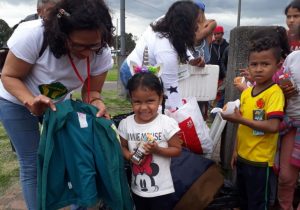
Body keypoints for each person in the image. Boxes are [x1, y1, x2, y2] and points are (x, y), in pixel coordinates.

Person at [0, 0, 114, 209]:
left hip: (58, 102)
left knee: (74, 156)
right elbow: (9, 76)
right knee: (33, 163)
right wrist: (29, 100)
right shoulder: (33, 35)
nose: (87, 53)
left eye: (94, 45)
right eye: (78, 45)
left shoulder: (102, 53)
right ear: (61, 35)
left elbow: (91, 92)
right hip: (15, 99)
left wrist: (96, 101)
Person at [222, 32, 285, 209]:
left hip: (261, 162)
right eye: (254, 64)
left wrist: (240, 119)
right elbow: (241, 126)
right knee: (242, 200)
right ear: (248, 67)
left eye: (265, 64)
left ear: (277, 66)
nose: (258, 69)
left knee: (258, 203)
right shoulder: (247, 93)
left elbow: (273, 126)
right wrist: (235, 150)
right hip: (242, 157)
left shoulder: (274, 93)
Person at [120, 1, 208, 111]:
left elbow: (179, 41)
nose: (198, 28)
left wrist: (191, 59)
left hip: (141, 68)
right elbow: (171, 90)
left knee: (150, 110)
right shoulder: (166, 49)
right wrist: (182, 117)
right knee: (146, 110)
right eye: (195, 25)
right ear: (185, 26)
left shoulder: (169, 21)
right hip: (133, 71)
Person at [118, 72, 182, 210]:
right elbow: (121, 147)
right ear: (131, 100)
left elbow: (177, 150)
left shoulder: (166, 123)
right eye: (137, 102)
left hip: (163, 190)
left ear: (160, 99)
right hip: (137, 188)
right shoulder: (126, 124)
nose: (143, 107)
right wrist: (129, 156)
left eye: (150, 101)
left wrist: (157, 150)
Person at [277, 30, 300, 210]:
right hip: (292, 123)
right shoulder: (292, 57)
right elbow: (279, 81)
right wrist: (282, 89)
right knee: (285, 177)